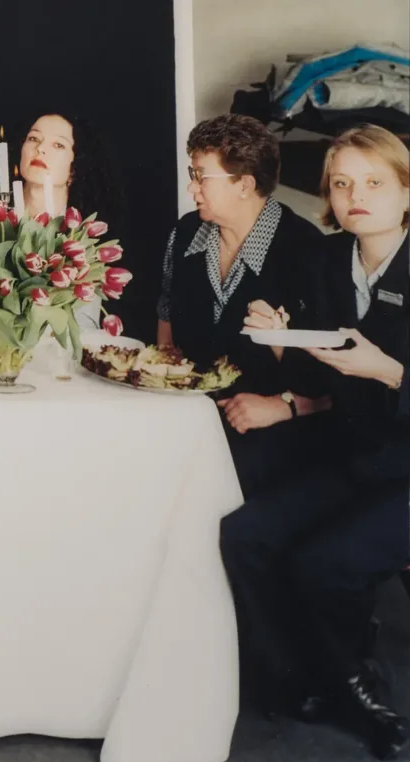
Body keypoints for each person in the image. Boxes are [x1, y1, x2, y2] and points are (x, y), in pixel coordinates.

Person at [222, 123, 409, 761]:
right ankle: (297, 674)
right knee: (243, 534)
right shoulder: (330, 261)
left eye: (375, 182)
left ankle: (355, 691)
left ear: (406, 192)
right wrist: (281, 338)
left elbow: (373, 372)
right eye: (341, 183)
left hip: (405, 467)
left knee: (324, 563)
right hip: (349, 453)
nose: (357, 195)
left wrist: (389, 371)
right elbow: (318, 373)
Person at [155, 114, 324, 495]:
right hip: (189, 417)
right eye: (192, 173)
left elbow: (329, 376)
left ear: (245, 184)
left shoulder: (307, 251)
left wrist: (281, 405)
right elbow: (166, 307)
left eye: (202, 176)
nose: (191, 186)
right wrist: (163, 370)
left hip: (269, 430)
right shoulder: (184, 234)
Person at [3, 111, 124, 329]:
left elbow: (84, 323)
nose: (40, 148)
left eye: (58, 145)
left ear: (76, 165)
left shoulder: (84, 231)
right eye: (33, 138)